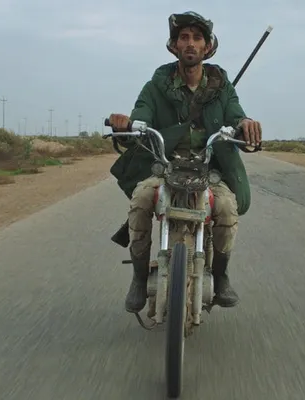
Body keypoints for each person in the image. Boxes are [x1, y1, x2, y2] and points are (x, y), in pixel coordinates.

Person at [107, 11, 262, 314]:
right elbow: (141, 116)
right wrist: (126, 125)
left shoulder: (222, 86)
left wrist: (245, 124)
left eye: (197, 38)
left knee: (226, 207)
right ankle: (139, 278)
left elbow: (235, 114)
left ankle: (221, 275)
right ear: (174, 45)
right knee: (141, 201)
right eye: (184, 37)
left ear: (207, 46)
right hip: (166, 165)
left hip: (209, 167)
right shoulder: (156, 86)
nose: (190, 43)